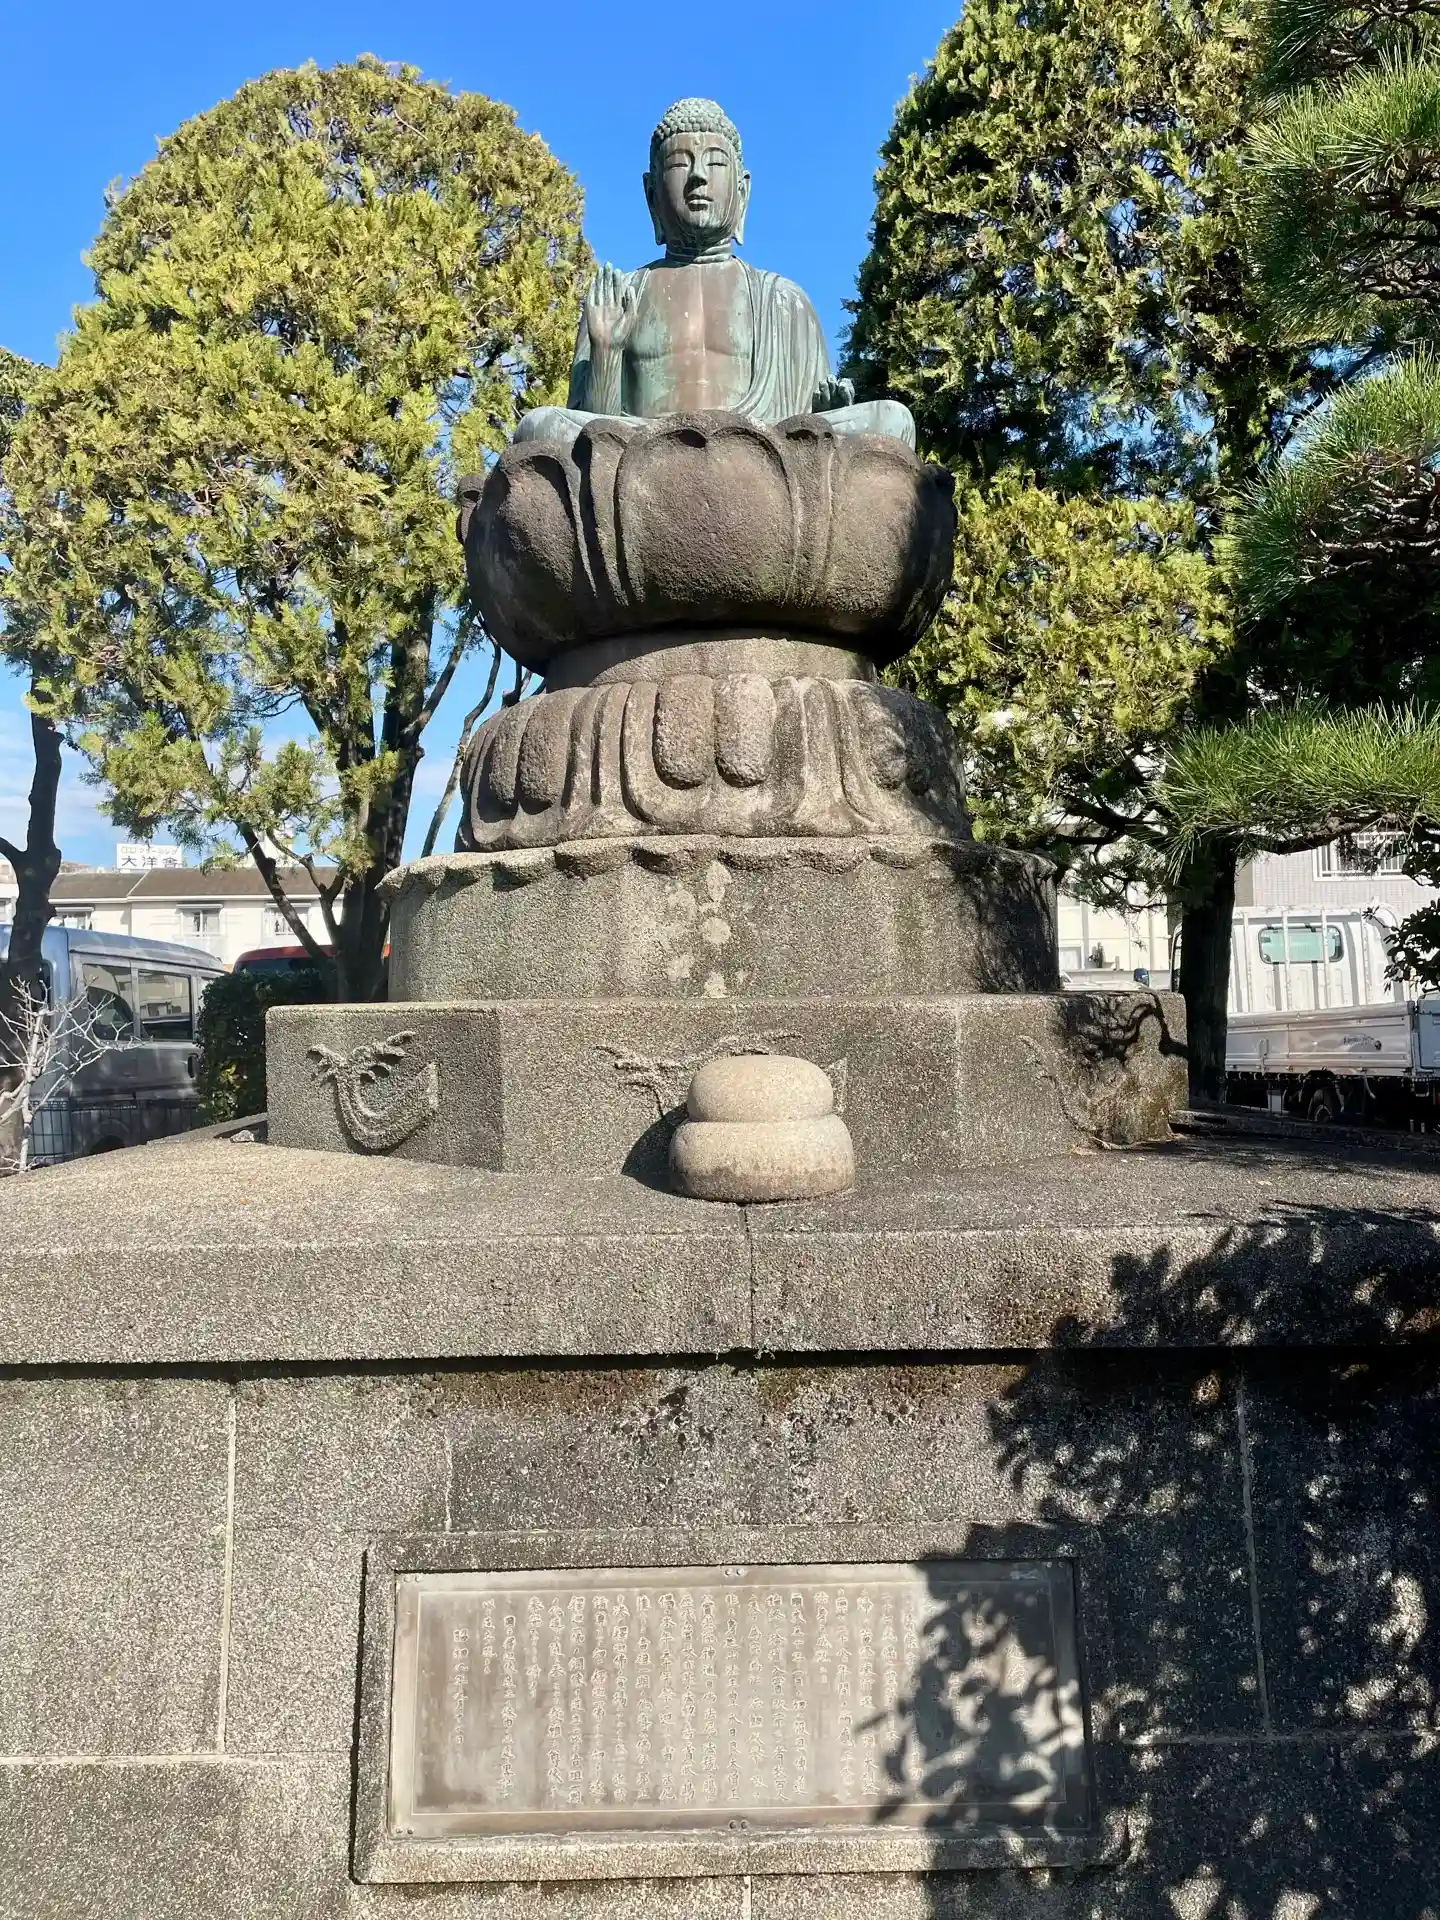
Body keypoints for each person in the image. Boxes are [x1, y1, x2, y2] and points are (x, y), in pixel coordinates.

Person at [516, 98, 915, 451]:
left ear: (742, 190)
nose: (698, 176)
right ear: (651, 193)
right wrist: (605, 352)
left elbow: (804, 422)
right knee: (540, 427)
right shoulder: (620, 294)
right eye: (679, 163)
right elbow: (594, 436)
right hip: (649, 451)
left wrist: (823, 413)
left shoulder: (783, 301)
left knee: (892, 420)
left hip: (761, 450)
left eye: (716, 162)